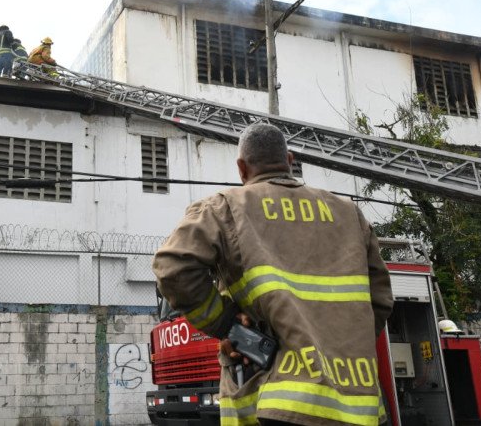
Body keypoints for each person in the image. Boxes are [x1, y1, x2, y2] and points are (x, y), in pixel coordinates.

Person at [153, 122, 394, 426]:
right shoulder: (349, 214)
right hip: (360, 406)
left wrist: (226, 323)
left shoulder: (224, 208)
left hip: (275, 402)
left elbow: (172, 267)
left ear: (242, 168)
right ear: (290, 161)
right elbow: (381, 302)